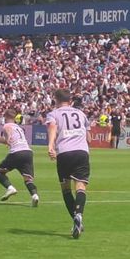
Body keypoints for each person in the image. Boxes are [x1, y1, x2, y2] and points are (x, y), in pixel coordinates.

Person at [46, 88, 91, 239]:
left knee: (66, 189)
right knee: (80, 186)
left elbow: (53, 127)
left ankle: (75, 218)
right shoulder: (81, 114)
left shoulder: (54, 114)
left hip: (64, 153)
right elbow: (89, 137)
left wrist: (51, 145)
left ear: (56, 100)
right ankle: (79, 215)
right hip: (82, 152)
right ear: (70, 100)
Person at [0, 109, 39, 206]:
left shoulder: (7, 125)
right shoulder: (18, 127)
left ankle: (10, 188)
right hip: (28, 152)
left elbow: (8, 133)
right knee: (28, 179)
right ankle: (34, 196)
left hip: (16, 152)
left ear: (5, 116)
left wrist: (8, 138)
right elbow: (5, 141)